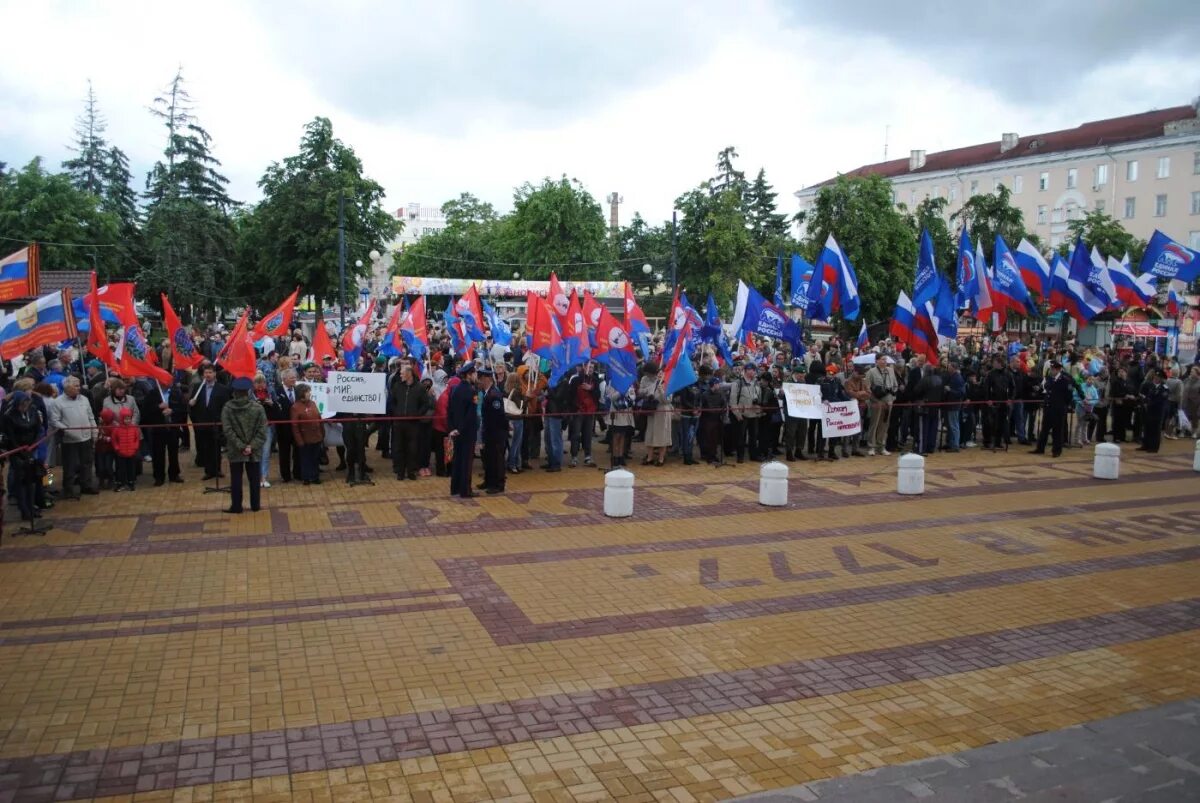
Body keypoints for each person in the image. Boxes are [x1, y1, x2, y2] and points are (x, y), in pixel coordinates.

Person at [221, 377, 268, 513]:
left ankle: (236, 506)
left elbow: (227, 430)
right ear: (248, 392)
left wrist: (241, 446)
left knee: (236, 479)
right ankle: (255, 505)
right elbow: (262, 430)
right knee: (254, 479)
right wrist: (251, 446)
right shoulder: (257, 408)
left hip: (236, 450)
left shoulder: (228, 408)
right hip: (254, 450)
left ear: (234, 392)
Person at [50, 376, 98, 498]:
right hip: (70, 439)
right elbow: (55, 421)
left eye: (79, 385)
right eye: (76, 386)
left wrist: (94, 431)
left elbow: (91, 416)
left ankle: (86, 485)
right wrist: (67, 430)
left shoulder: (84, 399)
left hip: (86, 437)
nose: (79, 388)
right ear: (67, 387)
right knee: (70, 465)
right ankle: (68, 489)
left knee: (86, 462)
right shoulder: (58, 402)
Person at [2, 391, 44, 524]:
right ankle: (24, 509)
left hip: (33, 448)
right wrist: (21, 452)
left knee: (33, 480)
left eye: (26, 404)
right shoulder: (9, 416)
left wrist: (34, 445)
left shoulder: (32, 411)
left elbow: (38, 428)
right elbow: (11, 436)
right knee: (21, 482)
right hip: (18, 452)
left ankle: (32, 506)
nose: (24, 407)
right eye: (22, 405)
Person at [389, 363, 432, 481]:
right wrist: (396, 412)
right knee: (399, 447)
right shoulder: (397, 386)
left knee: (412, 448)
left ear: (409, 374)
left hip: (413, 424)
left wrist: (418, 414)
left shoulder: (419, 388)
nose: (400, 375)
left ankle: (411, 471)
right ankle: (400, 472)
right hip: (399, 422)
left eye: (402, 373)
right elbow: (392, 402)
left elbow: (425, 404)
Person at [139, 376, 185, 486]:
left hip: (173, 428)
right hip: (158, 429)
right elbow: (145, 412)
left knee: (173, 452)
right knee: (158, 453)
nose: (167, 382)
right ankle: (159, 477)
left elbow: (183, 409)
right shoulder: (152, 394)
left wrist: (172, 411)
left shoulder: (176, 393)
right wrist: (158, 407)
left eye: (169, 381)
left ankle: (174, 474)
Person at [189, 364, 229, 481]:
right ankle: (208, 471)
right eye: (206, 373)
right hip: (202, 423)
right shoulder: (198, 388)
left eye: (210, 373)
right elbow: (192, 407)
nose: (208, 375)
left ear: (215, 374)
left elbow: (225, 406)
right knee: (205, 448)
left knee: (216, 448)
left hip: (216, 423)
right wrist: (191, 404)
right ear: (203, 375)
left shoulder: (222, 389)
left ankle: (217, 470)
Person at [447, 362, 479, 498]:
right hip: (467, 432)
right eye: (474, 373)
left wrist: (453, 428)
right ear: (469, 375)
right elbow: (470, 415)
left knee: (457, 460)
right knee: (466, 462)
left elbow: (449, 411)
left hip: (456, 432)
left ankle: (455, 488)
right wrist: (461, 429)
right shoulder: (471, 391)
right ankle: (466, 490)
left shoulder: (455, 389)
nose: (476, 376)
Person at [1032, 361, 1072, 457]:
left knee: (1057, 431)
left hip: (1058, 409)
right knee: (1044, 430)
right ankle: (1040, 448)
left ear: (1058, 369)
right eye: (1051, 369)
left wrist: (1063, 405)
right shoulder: (1049, 378)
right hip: (1048, 407)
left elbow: (1068, 396)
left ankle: (1056, 451)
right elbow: (1046, 390)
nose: (1051, 371)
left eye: (1053, 369)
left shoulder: (1065, 380)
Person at [476, 368, 506, 494]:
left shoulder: (494, 395)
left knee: (497, 459)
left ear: (487, 379)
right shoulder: (487, 393)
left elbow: (496, 417)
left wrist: (490, 433)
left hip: (495, 433)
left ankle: (498, 484)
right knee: (488, 458)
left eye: (481, 379)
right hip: (489, 432)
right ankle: (488, 481)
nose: (479, 382)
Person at [567, 362, 599, 467]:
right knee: (575, 434)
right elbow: (571, 395)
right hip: (578, 411)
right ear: (584, 367)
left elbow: (598, 395)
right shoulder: (576, 379)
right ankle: (574, 457)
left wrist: (591, 389)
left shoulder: (595, 380)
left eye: (592, 368)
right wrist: (574, 409)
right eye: (589, 367)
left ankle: (588, 456)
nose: (591, 369)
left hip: (590, 412)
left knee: (588, 434)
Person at [291, 383, 324, 485]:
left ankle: (315, 476)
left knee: (315, 458)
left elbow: (319, 418)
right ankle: (306, 477)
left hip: (317, 436)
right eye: (307, 391)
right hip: (305, 438)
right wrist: (299, 440)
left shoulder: (313, 403)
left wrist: (322, 433)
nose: (309, 393)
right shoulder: (295, 407)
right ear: (302, 393)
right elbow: (295, 426)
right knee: (305, 458)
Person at [728, 363, 762, 463]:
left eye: (754, 370)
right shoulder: (737, 383)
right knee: (740, 436)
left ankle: (753, 455)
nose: (753, 372)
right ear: (746, 370)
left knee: (754, 436)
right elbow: (733, 401)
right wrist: (737, 414)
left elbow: (758, 398)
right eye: (751, 370)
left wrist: (758, 410)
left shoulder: (756, 383)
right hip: (742, 415)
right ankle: (740, 456)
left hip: (754, 414)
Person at [638, 362, 670, 466]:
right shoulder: (644, 379)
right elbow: (640, 392)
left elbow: (668, 400)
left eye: (649, 373)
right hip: (651, 410)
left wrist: (661, 391)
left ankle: (661, 458)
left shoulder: (665, 380)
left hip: (662, 410)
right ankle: (649, 457)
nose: (648, 375)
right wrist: (649, 389)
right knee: (650, 434)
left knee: (662, 435)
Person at [273, 369, 302, 483]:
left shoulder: (298, 391)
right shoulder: (277, 392)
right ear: (284, 379)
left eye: (295, 378)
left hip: (296, 428)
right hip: (283, 428)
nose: (294, 380)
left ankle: (297, 473)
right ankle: (285, 475)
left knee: (298, 451)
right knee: (284, 453)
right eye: (291, 378)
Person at [251, 374, 277, 488]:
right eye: (257, 382)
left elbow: (277, 407)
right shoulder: (250, 394)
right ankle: (257, 476)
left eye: (262, 382)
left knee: (266, 453)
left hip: (268, 425)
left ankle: (264, 477)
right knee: (256, 452)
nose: (260, 385)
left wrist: (271, 403)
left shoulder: (271, 393)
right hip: (254, 427)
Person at [603, 380, 635, 469]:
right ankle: (615, 457)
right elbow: (611, 397)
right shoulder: (612, 382)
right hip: (616, 413)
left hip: (626, 412)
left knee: (622, 436)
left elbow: (633, 396)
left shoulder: (629, 381)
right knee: (616, 436)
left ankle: (621, 457)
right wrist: (621, 391)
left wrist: (630, 397)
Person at [1138, 370, 1169, 453]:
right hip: (1149, 410)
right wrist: (1145, 401)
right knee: (1147, 427)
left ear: (1161, 379)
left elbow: (1160, 400)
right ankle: (1146, 445)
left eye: (1157, 377)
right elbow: (1148, 396)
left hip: (1157, 411)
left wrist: (1148, 403)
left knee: (1155, 430)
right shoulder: (1152, 386)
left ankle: (1154, 447)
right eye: (1155, 377)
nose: (1155, 378)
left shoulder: (1164, 388)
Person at [111, 407, 142, 492]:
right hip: (121, 453)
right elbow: (114, 440)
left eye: (129, 419)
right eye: (125, 419)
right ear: (121, 419)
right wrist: (117, 448)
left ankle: (131, 483)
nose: (127, 421)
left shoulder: (134, 428)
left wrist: (135, 447)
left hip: (131, 452)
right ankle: (121, 483)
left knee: (131, 469)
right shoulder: (117, 429)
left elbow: (137, 438)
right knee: (121, 469)